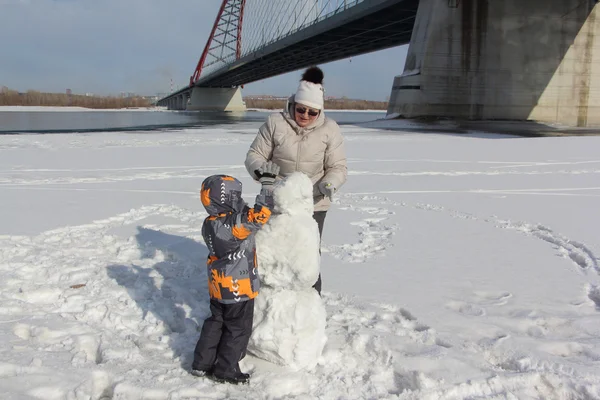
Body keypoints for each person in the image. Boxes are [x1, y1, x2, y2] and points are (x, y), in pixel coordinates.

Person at [245, 66, 347, 294]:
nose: (306, 116)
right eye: (302, 110)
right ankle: (263, 301)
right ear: (293, 105)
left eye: (313, 113)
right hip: (275, 200)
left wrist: (329, 183)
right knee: (269, 249)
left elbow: (338, 167)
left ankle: (310, 305)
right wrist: (264, 174)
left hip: (313, 202)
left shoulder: (330, 129)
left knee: (308, 253)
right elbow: (255, 155)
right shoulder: (275, 123)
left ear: (320, 111)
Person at [191, 161, 280, 384]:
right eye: (236, 197)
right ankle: (226, 369)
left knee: (216, 322)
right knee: (237, 330)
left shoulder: (211, 222)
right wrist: (267, 186)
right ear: (228, 199)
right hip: (238, 288)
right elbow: (260, 215)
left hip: (218, 286)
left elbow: (242, 215)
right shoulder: (234, 226)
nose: (241, 200)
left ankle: (202, 363)